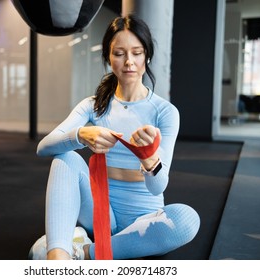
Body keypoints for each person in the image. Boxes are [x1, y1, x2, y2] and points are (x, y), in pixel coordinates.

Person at [29, 14, 200, 260]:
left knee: (187, 220)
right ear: (108, 58)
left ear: (146, 56)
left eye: (137, 53)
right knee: (64, 157)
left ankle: (84, 251)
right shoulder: (93, 106)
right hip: (99, 212)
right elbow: (43, 147)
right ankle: (59, 260)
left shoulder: (165, 112)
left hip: (142, 219)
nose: (129, 61)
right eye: (119, 53)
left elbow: (158, 187)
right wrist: (80, 135)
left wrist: (149, 156)